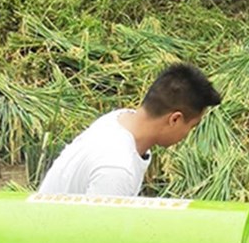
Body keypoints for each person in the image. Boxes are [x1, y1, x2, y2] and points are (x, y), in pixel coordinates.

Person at [37, 63, 221, 197]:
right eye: (191, 127)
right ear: (175, 119)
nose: (188, 135)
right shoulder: (117, 168)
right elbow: (95, 240)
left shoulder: (119, 119)